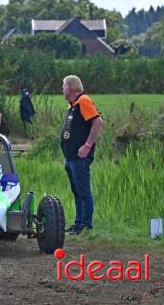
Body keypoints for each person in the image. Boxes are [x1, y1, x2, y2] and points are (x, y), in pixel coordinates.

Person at [61, 75, 104, 235]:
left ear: (71, 87)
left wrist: (87, 146)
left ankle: (86, 225)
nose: (62, 89)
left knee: (83, 191)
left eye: (64, 86)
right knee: (77, 191)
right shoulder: (73, 105)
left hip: (80, 158)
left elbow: (98, 123)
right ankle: (78, 224)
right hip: (70, 157)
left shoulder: (84, 100)